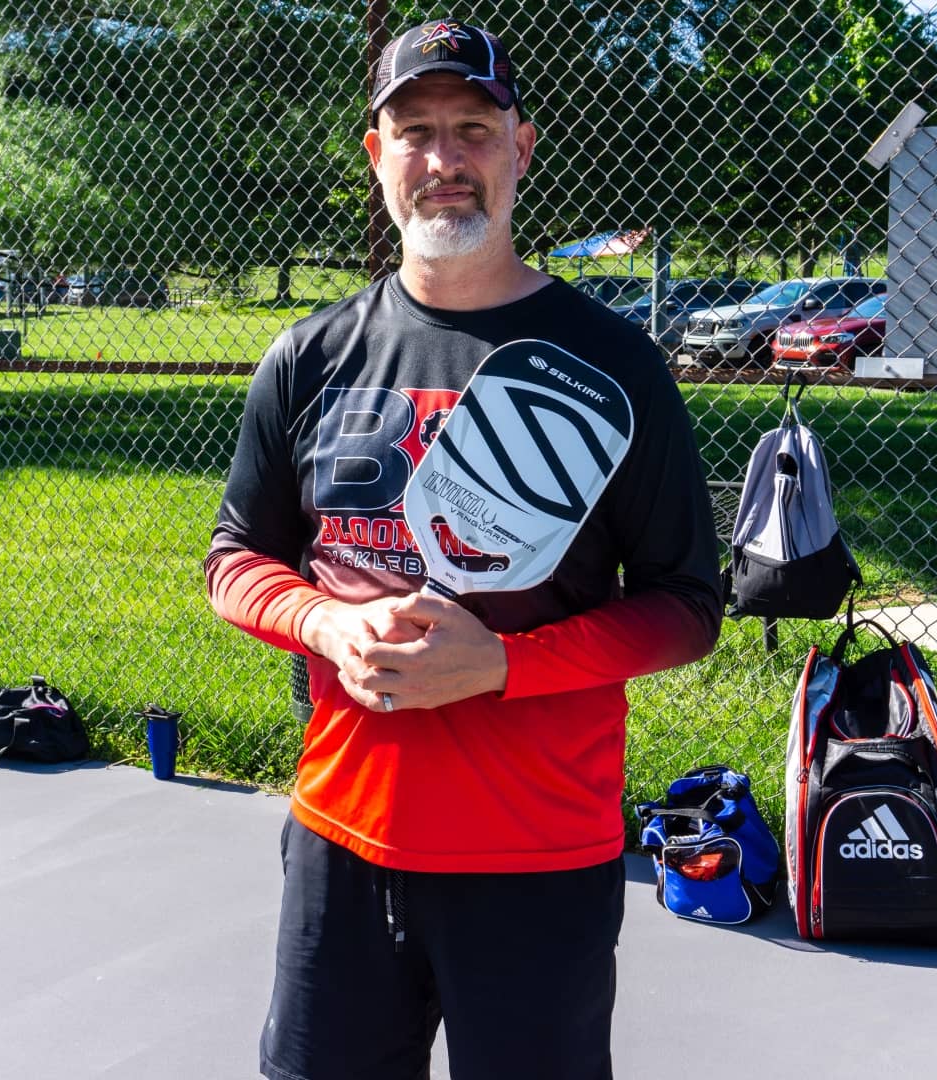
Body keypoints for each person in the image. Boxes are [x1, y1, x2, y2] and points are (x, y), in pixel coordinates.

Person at [205, 17, 722, 1080]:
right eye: (417, 132)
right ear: (376, 157)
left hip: (537, 857)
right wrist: (326, 620)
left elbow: (684, 605)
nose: (444, 161)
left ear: (522, 148)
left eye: (474, 130)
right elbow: (235, 560)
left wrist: (502, 665)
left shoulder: (614, 364)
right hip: (340, 842)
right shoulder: (310, 356)